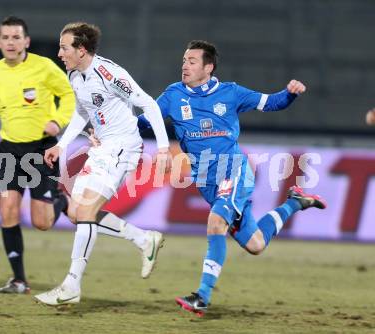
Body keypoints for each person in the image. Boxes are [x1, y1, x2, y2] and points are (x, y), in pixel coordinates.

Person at [137, 40, 327, 316]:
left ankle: (201, 297)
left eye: (191, 61)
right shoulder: (173, 95)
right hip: (206, 181)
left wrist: (290, 93)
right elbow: (146, 121)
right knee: (256, 244)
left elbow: (272, 102)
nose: (184, 65)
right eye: (183, 60)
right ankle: (295, 202)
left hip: (233, 170)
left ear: (208, 67)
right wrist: (112, 129)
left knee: (216, 223)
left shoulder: (231, 93)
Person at [33, 22, 172, 306]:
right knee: (74, 212)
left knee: (85, 211)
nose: (60, 52)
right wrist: (61, 144)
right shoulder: (74, 74)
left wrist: (164, 148)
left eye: (64, 47)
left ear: (81, 50)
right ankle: (144, 240)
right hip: (101, 149)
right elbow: (82, 112)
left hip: (123, 148)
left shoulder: (109, 73)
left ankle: (71, 284)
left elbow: (149, 104)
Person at [0, 16, 75, 294]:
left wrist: (57, 121)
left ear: (26, 41)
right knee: (8, 211)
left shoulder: (45, 67)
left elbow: (69, 95)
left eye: (16, 37)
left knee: (42, 222)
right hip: (9, 149)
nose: (11, 43)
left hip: (40, 149)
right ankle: (19, 280)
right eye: (6, 38)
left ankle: (60, 200)